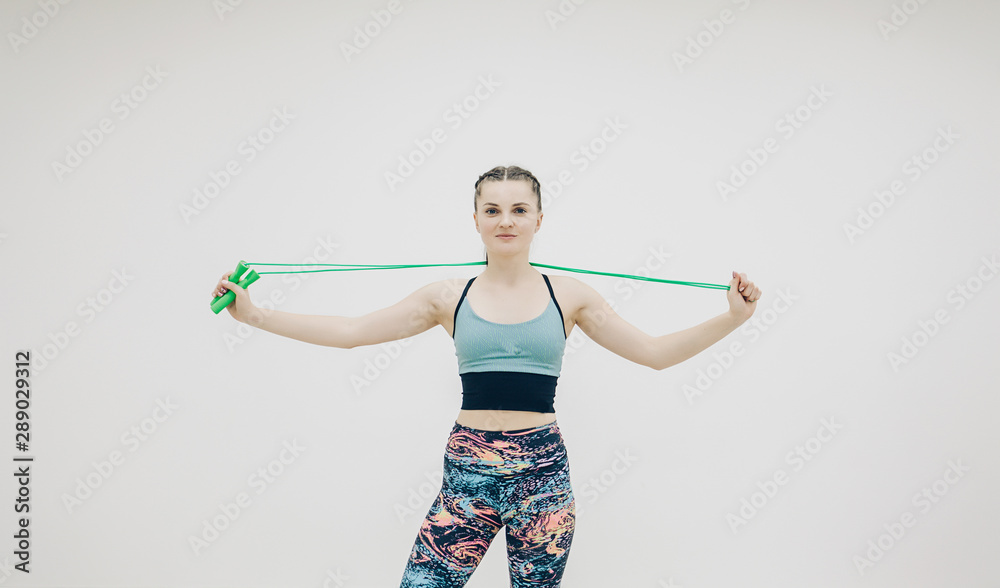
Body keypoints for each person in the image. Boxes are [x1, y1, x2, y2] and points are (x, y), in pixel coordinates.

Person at [210, 165, 761, 587]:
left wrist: (733, 319)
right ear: (475, 219)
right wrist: (255, 315)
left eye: (519, 209)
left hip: (542, 475)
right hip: (468, 470)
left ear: (539, 220)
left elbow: (654, 353)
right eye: (492, 210)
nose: (506, 221)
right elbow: (353, 330)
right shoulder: (448, 296)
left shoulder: (570, 296)